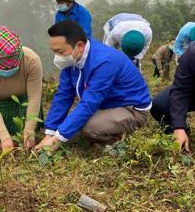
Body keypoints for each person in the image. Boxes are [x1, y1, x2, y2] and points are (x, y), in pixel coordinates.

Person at [35, 20, 151, 152]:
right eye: (54, 52)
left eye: (60, 52)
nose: (57, 57)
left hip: (131, 109)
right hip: (107, 104)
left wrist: (57, 140)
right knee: (71, 125)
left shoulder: (105, 61)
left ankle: (117, 143)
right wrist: (49, 133)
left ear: (79, 46)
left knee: (88, 128)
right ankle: (104, 126)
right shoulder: (71, 60)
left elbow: (89, 103)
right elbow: (63, 95)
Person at [0, 25, 43, 151]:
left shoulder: (31, 60)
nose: (8, 70)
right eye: (4, 67)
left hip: (23, 102)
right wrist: (4, 137)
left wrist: (29, 130)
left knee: (29, 129)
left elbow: (34, 97)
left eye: (11, 66)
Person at [151, 42, 195, 152]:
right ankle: (180, 134)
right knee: (159, 104)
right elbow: (180, 90)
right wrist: (178, 126)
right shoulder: (192, 53)